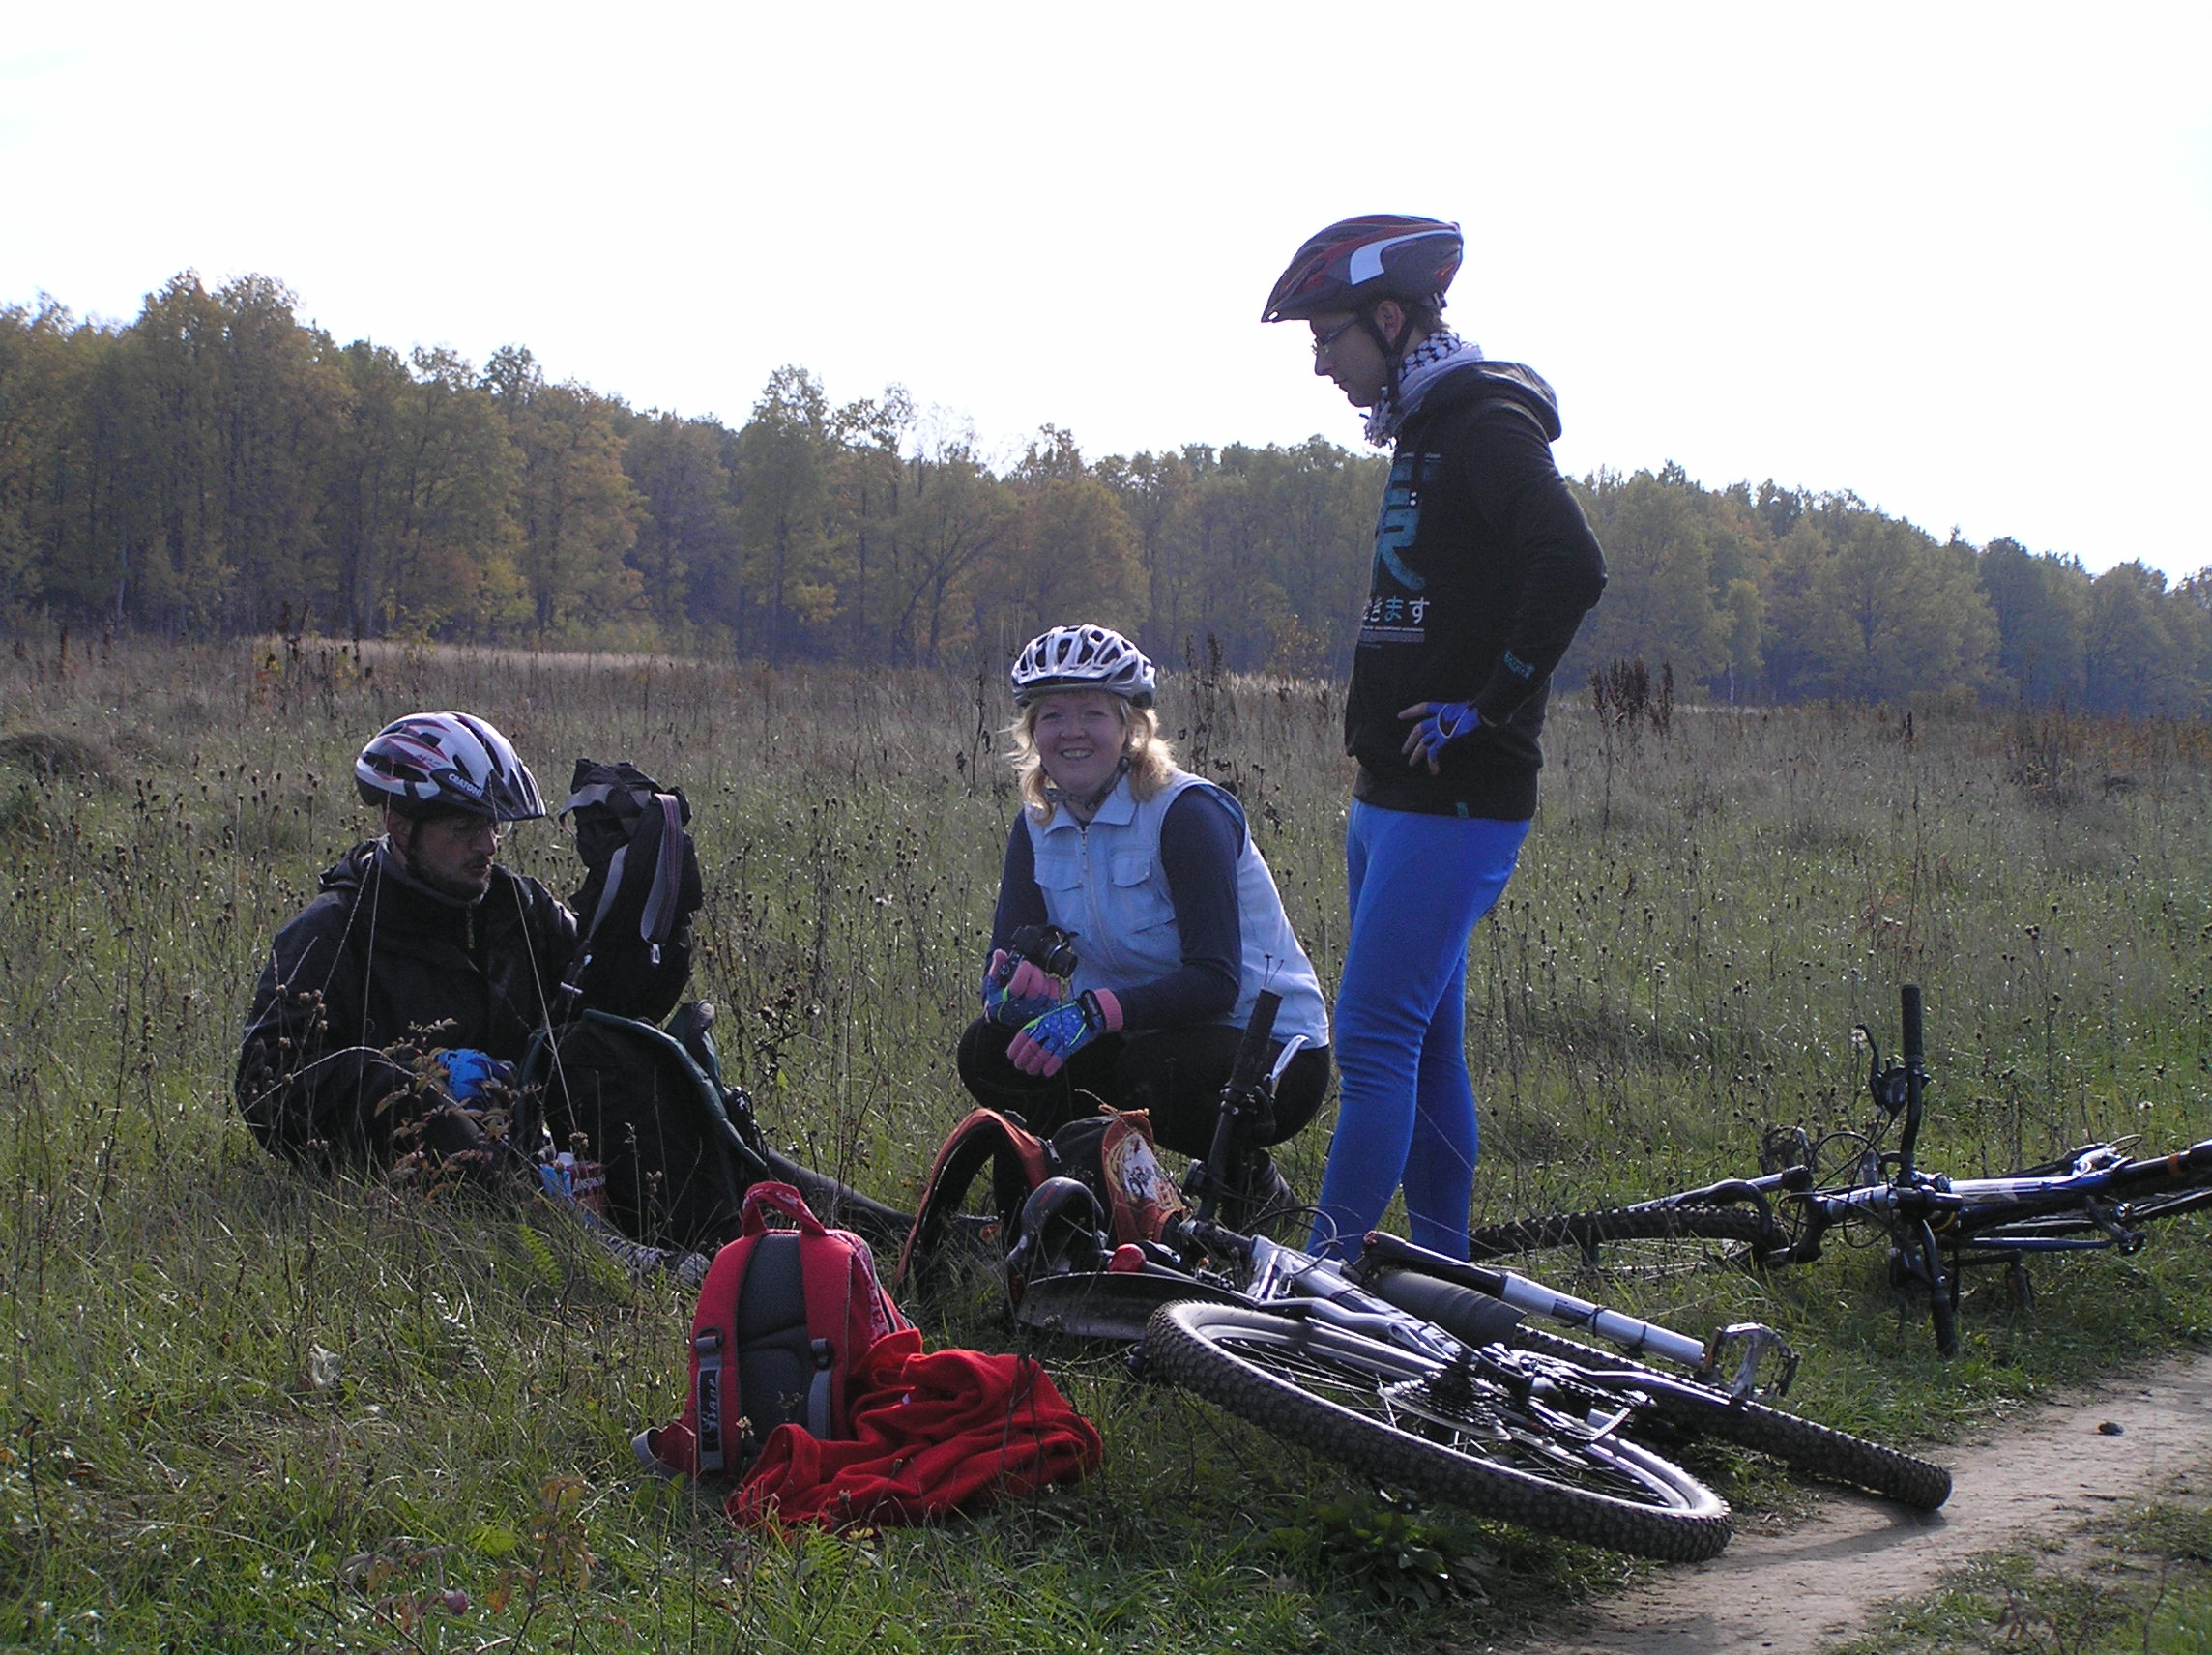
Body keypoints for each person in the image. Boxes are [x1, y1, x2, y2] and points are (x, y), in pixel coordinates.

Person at [1261, 216, 1606, 1260]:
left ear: (1387, 316)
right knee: (1425, 1048)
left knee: (1372, 1045)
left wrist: (1489, 704)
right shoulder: (1424, 422)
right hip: (1392, 793)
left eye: (1327, 338)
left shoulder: (1484, 422)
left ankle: (1315, 1289)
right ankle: (1442, 1276)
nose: (1320, 364)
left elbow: (1571, 564)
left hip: (1454, 797)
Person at [957, 624, 1332, 1208]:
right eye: (1053, 716)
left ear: (1130, 727)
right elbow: (1009, 950)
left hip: (1268, 1048)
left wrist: (1093, 1012)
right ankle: (1084, 1185)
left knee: (1150, 1070)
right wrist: (1009, 995)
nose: (1072, 731)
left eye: (1092, 713)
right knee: (989, 1050)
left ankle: (1249, 1182)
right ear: (1032, 732)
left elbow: (1215, 980)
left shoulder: (1186, 814)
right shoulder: (1036, 824)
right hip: (1132, 1032)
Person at [235, 711, 581, 1177]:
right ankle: (528, 1203)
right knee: (410, 1089)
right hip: (408, 1185)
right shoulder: (332, 930)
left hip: (540, 1146)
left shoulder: (521, 907)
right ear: (400, 827)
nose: (488, 846)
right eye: (464, 827)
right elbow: (267, 1088)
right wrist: (408, 1087)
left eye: (494, 825)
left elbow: (604, 1002)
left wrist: (642, 910)